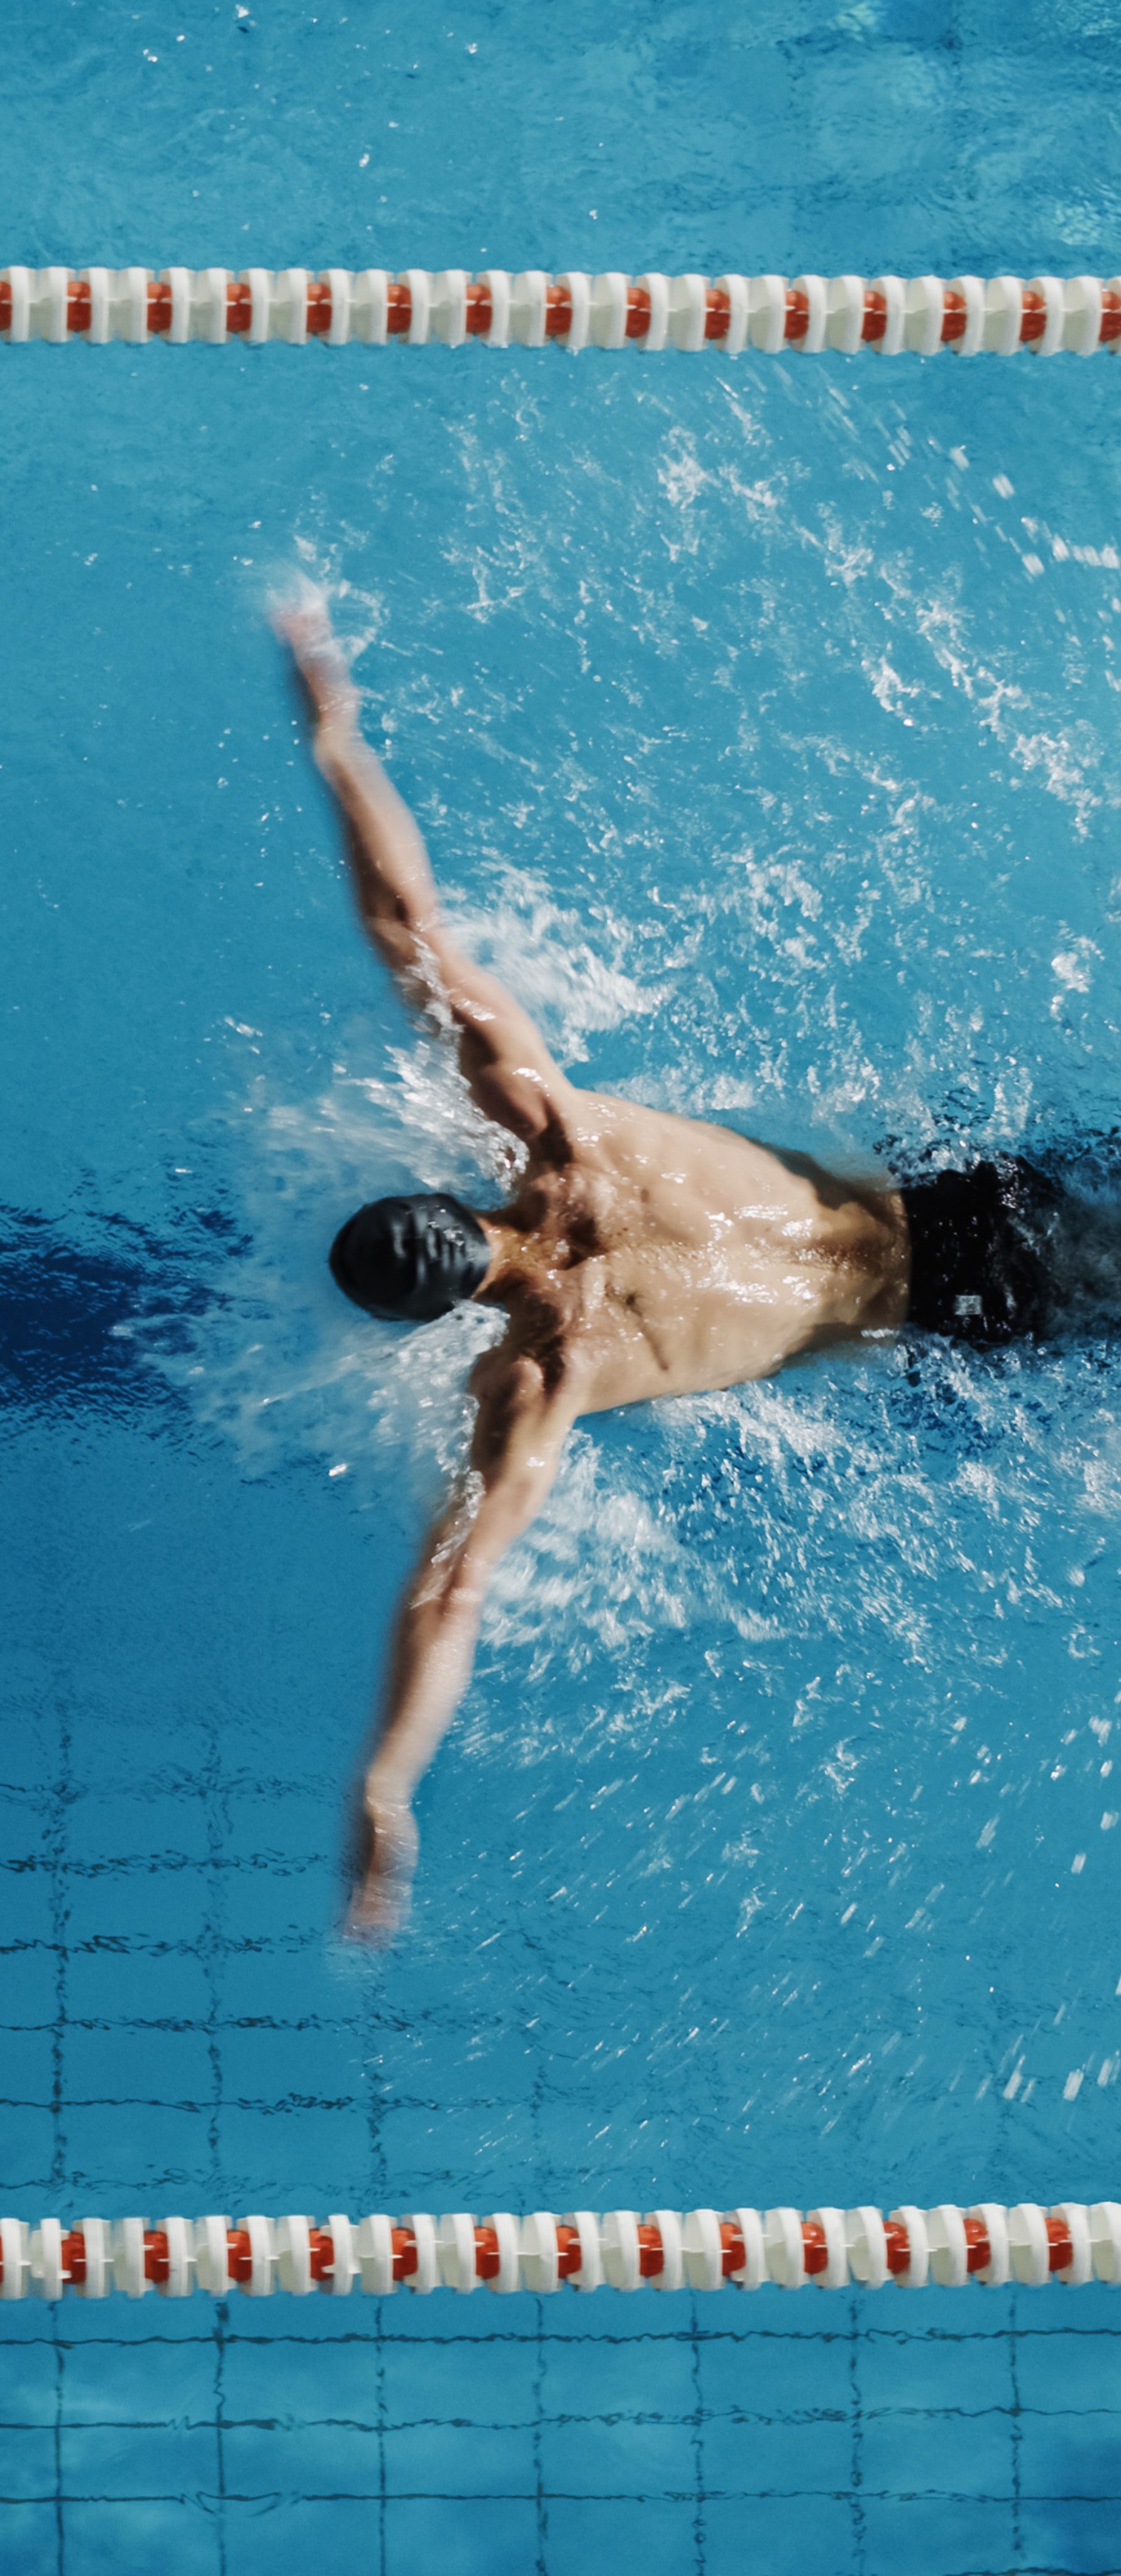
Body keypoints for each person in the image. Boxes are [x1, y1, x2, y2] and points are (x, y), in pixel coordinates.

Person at [280, 590, 1073, 1941]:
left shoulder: (541, 1379)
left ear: (430, 1320)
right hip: (970, 1201)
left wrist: (386, 1783)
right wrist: (336, 733)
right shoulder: (555, 1128)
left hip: (963, 1315)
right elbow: (410, 926)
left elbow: (452, 1590)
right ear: (441, 1186)